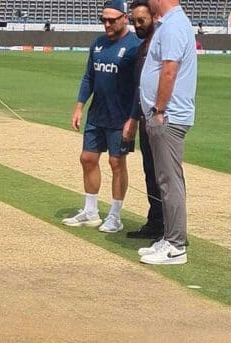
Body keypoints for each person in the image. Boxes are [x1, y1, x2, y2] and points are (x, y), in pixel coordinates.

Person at [64, 0, 141, 233]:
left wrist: (133, 117)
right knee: (87, 158)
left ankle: (115, 215)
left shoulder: (135, 46)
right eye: (103, 19)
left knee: (116, 163)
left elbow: (140, 85)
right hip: (97, 114)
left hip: (121, 116)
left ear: (124, 18)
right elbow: (89, 77)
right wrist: (79, 106)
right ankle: (90, 211)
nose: (106, 24)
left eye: (111, 20)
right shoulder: (97, 44)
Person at [137, 0, 197, 265]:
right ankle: (170, 238)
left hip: (168, 116)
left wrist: (158, 109)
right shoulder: (168, 24)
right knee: (166, 179)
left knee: (169, 181)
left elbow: (169, 71)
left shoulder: (173, 26)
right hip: (166, 114)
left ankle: (175, 245)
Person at [122, 0, 163, 240]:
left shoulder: (157, 46)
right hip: (145, 118)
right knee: (150, 172)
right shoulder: (142, 47)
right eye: (134, 21)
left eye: (141, 20)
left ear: (153, 19)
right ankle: (156, 222)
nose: (137, 25)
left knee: (163, 175)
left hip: (158, 119)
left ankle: (170, 228)